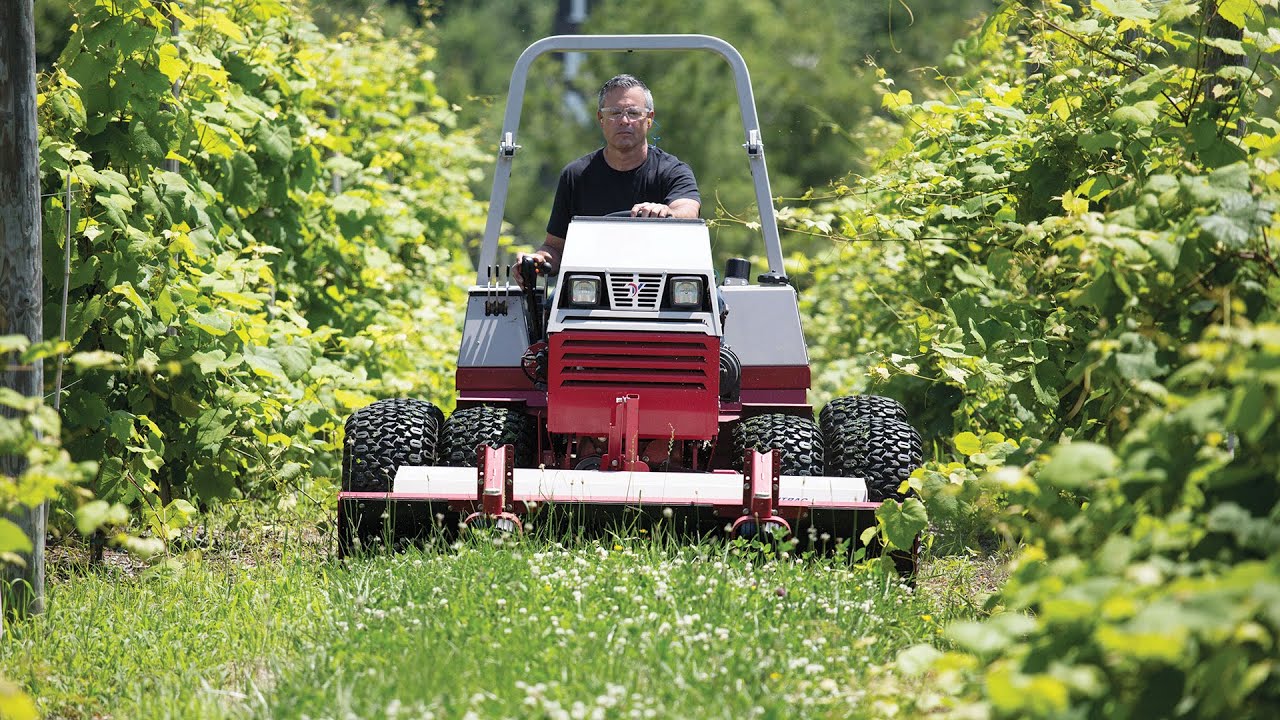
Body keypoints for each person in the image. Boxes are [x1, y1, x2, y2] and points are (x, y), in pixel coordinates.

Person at [518, 74, 701, 275]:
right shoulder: (576, 175)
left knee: (713, 302)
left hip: (663, 286)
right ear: (601, 119)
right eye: (614, 113)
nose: (624, 120)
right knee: (548, 306)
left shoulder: (673, 171)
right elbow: (555, 248)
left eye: (633, 112)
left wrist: (667, 212)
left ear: (649, 119)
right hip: (588, 289)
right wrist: (537, 261)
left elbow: (688, 210)